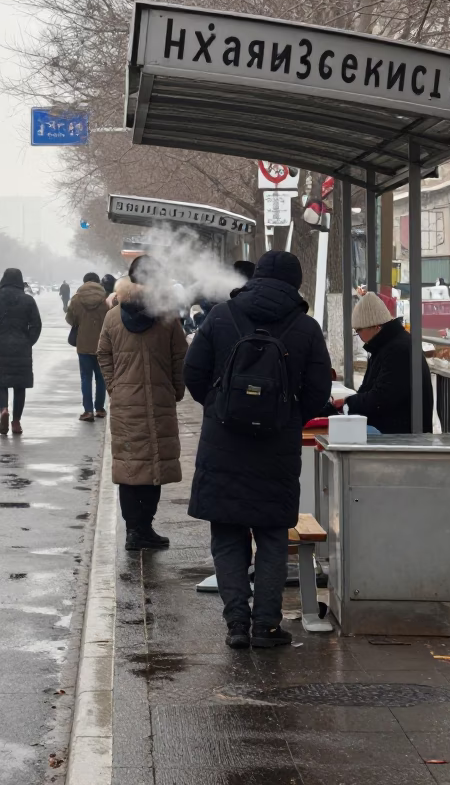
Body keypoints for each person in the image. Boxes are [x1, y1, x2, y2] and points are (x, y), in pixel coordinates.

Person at [184, 251, 332, 650]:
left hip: (223, 444)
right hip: (276, 448)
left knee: (228, 534)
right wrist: (288, 415)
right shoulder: (306, 327)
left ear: (256, 278)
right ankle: (266, 626)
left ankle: (236, 624)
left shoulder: (220, 316)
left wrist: (220, 409)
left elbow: (193, 373)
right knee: (271, 535)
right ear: (295, 283)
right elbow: (319, 390)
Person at [97, 256, 187, 551]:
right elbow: (179, 358)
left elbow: (103, 355)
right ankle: (144, 528)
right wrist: (175, 390)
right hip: (159, 399)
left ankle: (133, 531)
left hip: (124, 402)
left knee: (129, 467)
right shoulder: (167, 316)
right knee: (154, 467)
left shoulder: (112, 316)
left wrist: (114, 387)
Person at [336, 292, 433, 433]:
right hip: (394, 427)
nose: (359, 336)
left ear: (375, 326)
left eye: (359, 331)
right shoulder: (385, 347)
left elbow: (382, 398)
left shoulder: (398, 350)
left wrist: (348, 403)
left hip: (402, 435)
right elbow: (370, 391)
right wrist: (348, 402)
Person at [0, 267, 42, 436]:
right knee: (19, 385)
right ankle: (16, 422)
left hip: (1, 345)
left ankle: (3, 410)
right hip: (22, 347)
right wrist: (28, 341)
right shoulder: (28, 300)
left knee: (1, 383)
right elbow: (36, 324)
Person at [65, 273, 109, 422]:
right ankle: (100, 409)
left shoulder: (77, 299)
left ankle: (88, 411)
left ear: (84, 282)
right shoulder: (105, 299)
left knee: (86, 377)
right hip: (102, 344)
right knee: (101, 377)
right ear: (98, 282)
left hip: (83, 344)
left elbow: (70, 319)